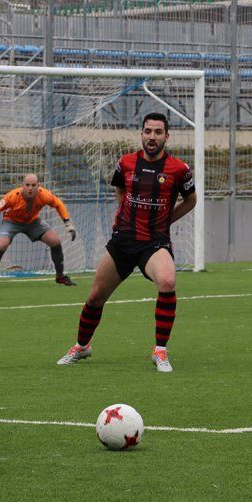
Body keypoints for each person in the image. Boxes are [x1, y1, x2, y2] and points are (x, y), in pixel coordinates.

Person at [56, 113, 196, 373]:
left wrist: (165, 221)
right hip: (122, 241)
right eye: (147, 131)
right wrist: (123, 213)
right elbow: (120, 189)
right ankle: (82, 346)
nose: (152, 137)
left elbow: (191, 201)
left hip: (154, 243)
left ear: (167, 136)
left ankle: (160, 351)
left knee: (167, 281)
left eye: (157, 132)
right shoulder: (126, 163)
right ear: (141, 134)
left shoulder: (179, 169)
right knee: (96, 296)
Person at [0, 173, 77, 287]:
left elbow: (58, 204)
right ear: (23, 186)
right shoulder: (13, 196)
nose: (30, 188)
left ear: (38, 186)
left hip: (32, 222)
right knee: (2, 245)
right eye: (27, 185)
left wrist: (68, 224)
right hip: (11, 221)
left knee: (55, 241)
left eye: (33, 185)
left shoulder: (44, 195)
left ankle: (60, 277)